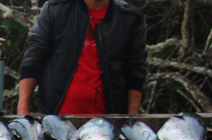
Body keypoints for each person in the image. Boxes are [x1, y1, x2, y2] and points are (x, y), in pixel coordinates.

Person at [17, 0, 147, 115]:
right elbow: (34, 57)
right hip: (58, 120)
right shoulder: (56, 9)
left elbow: (135, 67)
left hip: (110, 123)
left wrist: (132, 117)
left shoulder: (129, 17)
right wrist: (22, 109)